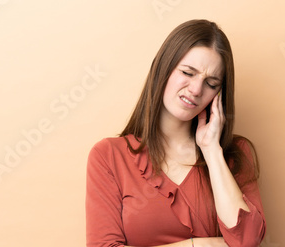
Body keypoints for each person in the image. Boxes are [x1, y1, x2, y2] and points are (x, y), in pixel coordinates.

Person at [86, 19, 266, 247]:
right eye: (188, 72)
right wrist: (200, 245)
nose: (196, 90)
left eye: (211, 83)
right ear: (163, 68)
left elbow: (247, 241)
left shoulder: (235, 154)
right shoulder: (109, 155)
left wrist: (211, 151)